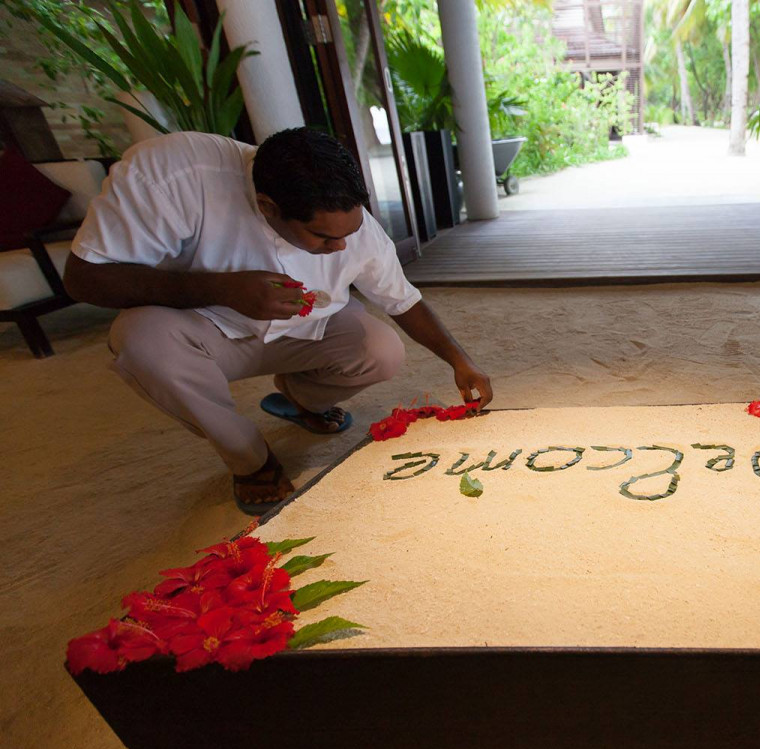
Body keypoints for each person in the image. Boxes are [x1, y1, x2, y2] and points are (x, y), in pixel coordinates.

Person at [64, 127, 492, 514]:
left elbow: (402, 300)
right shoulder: (173, 174)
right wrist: (221, 290)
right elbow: (84, 280)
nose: (342, 246)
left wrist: (459, 359)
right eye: (324, 237)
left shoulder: (345, 221)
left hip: (306, 331)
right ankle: (252, 460)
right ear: (268, 206)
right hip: (204, 333)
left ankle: (301, 397)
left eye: (351, 230)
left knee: (382, 350)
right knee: (139, 340)